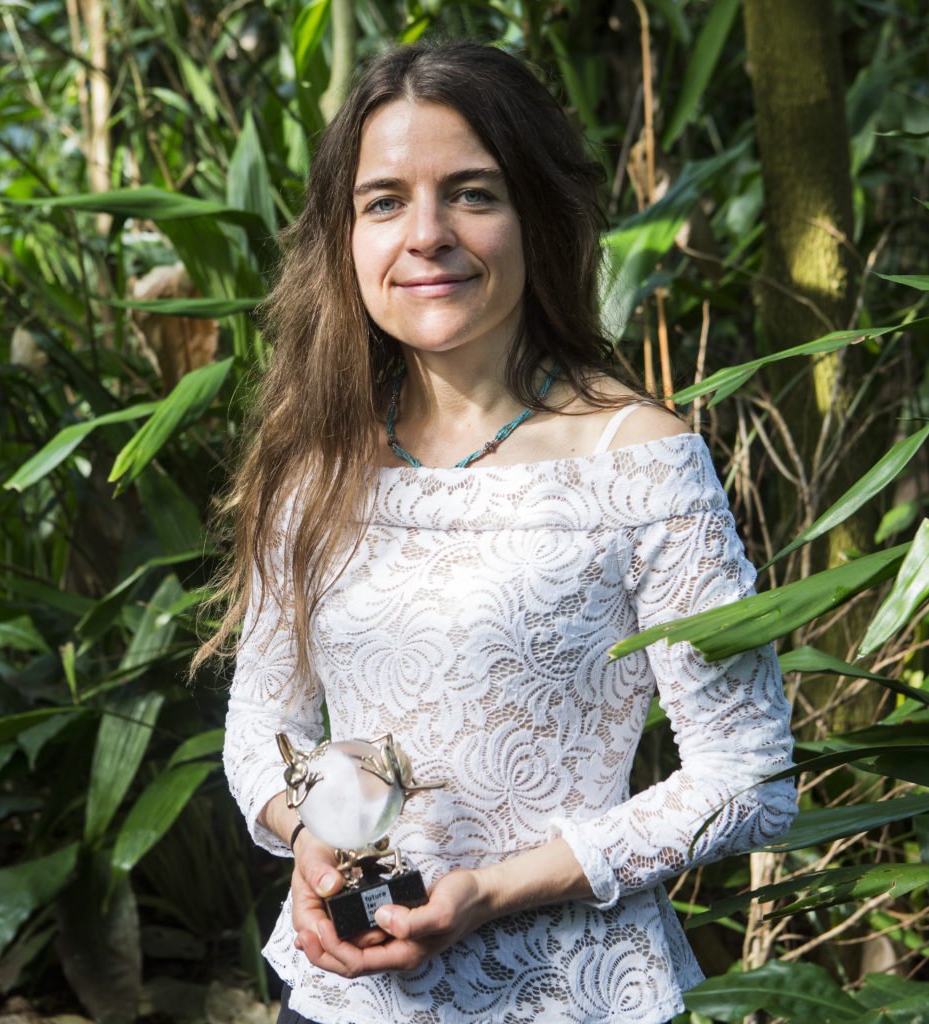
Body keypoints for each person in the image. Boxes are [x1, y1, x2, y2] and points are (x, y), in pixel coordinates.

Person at [217, 40, 797, 1024]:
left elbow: (747, 777)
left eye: (473, 193)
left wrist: (492, 890)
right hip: (341, 997)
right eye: (384, 200)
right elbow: (257, 727)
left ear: (536, 214)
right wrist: (308, 834)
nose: (426, 233)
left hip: (573, 994)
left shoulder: (638, 459)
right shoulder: (313, 459)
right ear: (344, 237)